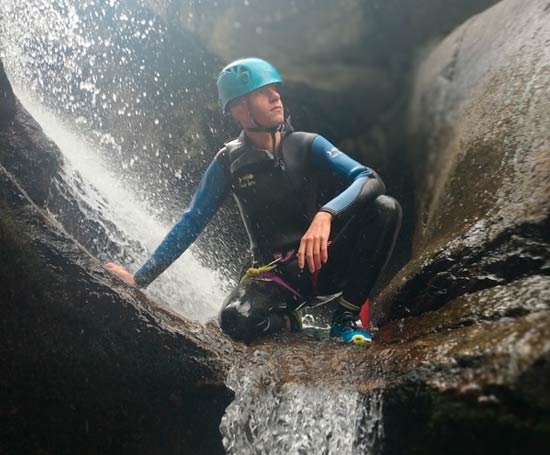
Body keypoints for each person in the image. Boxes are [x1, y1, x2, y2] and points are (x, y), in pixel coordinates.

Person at [105, 57, 402, 345]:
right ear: (239, 109)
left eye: (275, 89)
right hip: (274, 277)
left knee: (385, 208)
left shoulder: (307, 143)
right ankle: (284, 320)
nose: (276, 97)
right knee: (235, 319)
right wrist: (139, 279)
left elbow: (368, 178)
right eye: (262, 93)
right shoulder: (229, 162)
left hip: (323, 261)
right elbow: (192, 220)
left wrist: (327, 214)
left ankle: (346, 319)